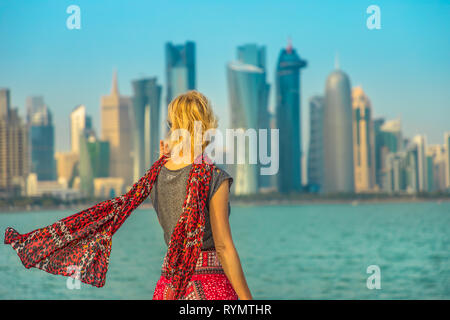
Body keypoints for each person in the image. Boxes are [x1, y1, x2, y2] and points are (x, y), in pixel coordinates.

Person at [4, 90, 252, 300]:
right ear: (206, 125)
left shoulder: (156, 175)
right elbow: (222, 245)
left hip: (169, 288)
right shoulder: (214, 177)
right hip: (210, 288)